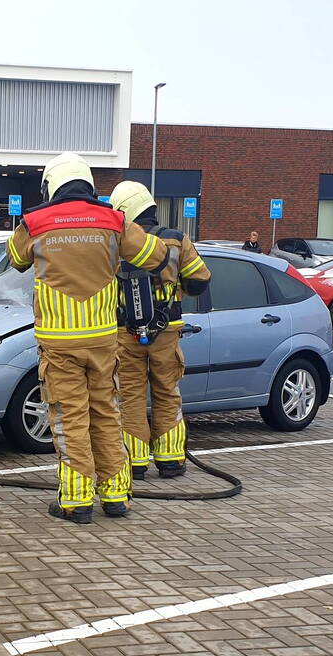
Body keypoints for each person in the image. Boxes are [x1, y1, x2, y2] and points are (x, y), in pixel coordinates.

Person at [5, 153, 168, 525]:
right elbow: (156, 256)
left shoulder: (35, 222)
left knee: (70, 418)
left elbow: (15, 258)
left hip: (59, 341)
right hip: (102, 341)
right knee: (107, 414)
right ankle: (116, 496)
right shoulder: (114, 221)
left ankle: (77, 501)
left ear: (51, 186)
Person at [109, 181, 211, 480]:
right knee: (167, 392)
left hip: (125, 331)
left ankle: (134, 463)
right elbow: (200, 280)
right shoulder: (177, 241)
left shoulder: (117, 242)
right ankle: (171, 460)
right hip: (166, 331)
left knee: (130, 395)